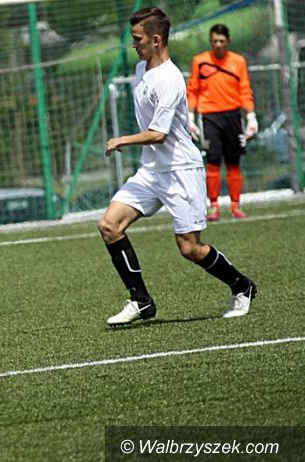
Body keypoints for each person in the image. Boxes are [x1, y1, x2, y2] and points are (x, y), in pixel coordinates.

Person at [100, 7, 257, 326]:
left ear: (156, 40)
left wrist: (121, 140)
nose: (134, 45)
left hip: (180, 171)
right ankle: (141, 300)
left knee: (190, 248)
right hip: (151, 171)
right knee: (109, 226)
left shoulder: (170, 79)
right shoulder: (141, 69)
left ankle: (242, 286)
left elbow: (159, 134)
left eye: (138, 39)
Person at [187, 24, 258, 221]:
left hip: (233, 115)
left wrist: (251, 116)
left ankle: (235, 205)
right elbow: (192, 90)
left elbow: (245, 89)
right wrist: (190, 117)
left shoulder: (238, 61)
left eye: (222, 41)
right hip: (209, 116)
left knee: (234, 161)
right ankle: (214, 206)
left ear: (228, 41)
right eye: (215, 41)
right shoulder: (199, 61)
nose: (218, 45)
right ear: (210, 42)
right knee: (213, 161)